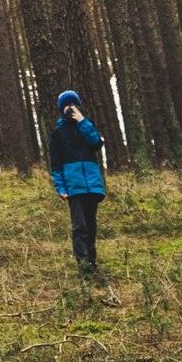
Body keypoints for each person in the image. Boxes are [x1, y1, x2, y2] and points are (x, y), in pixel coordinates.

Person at [48, 88, 107, 276]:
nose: (69, 108)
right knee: (79, 227)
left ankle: (92, 263)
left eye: (72, 104)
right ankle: (84, 266)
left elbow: (97, 143)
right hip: (74, 187)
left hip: (92, 185)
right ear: (61, 109)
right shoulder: (58, 133)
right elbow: (56, 165)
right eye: (66, 105)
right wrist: (61, 188)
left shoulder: (86, 127)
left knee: (91, 227)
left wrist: (82, 121)